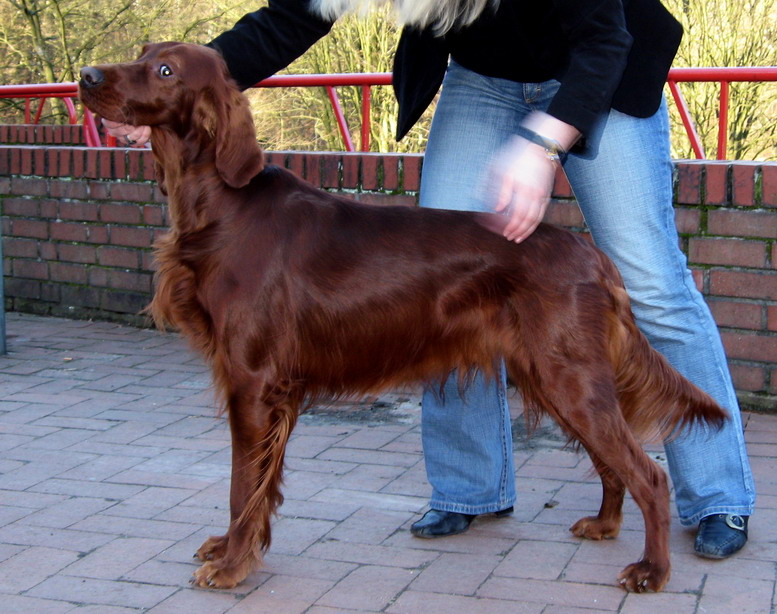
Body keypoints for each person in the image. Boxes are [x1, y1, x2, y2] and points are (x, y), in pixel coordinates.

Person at [107, 0, 755, 559]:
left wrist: (541, 144)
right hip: (484, 76)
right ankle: (471, 489)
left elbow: (603, 37)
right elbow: (289, 18)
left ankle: (717, 498)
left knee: (651, 280)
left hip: (600, 64)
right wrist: (169, 92)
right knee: (438, 288)